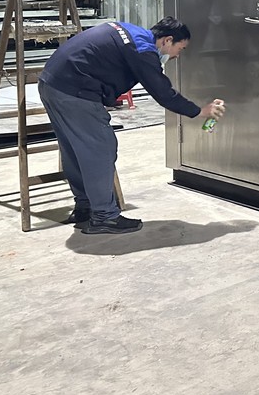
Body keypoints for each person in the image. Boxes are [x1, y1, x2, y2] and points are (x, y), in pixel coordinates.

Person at [37, 16, 226, 235]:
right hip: (75, 91)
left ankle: (85, 207)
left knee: (75, 149)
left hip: (51, 83)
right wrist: (200, 111)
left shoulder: (132, 33)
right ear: (167, 40)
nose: (177, 56)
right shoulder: (143, 50)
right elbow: (163, 93)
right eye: (180, 49)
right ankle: (104, 217)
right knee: (101, 149)